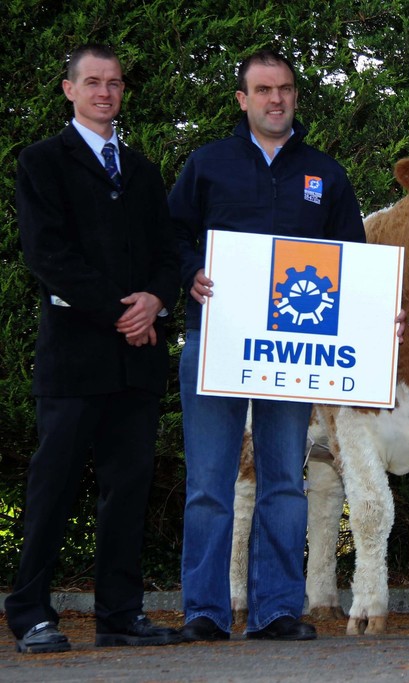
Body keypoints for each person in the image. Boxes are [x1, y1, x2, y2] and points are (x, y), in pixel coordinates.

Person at [169, 48, 367, 642]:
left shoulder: (326, 174)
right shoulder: (207, 165)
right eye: (262, 90)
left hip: (293, 357)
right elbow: (171, 237)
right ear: (243, 99)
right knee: (209, 483)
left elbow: (353, 264)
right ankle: (203, 611)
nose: (274, 99)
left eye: (283, 89)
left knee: (285, 480)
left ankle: (277, 610)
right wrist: (188, 273)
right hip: (216, 344)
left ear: (295, 97)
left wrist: (376, 317)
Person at [5, 44, 181, 653]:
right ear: (69, 90)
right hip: (76, 357)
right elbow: (47, 256)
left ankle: (120, 615)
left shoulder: (140, 169)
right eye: (93, 82)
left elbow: (167, 254)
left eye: (114, 82)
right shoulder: (41, 162)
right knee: (51, 488)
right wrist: (123, 312)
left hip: (137, 359)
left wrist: (156, 301)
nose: (105, 92)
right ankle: (30, 613)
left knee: (127, 489)